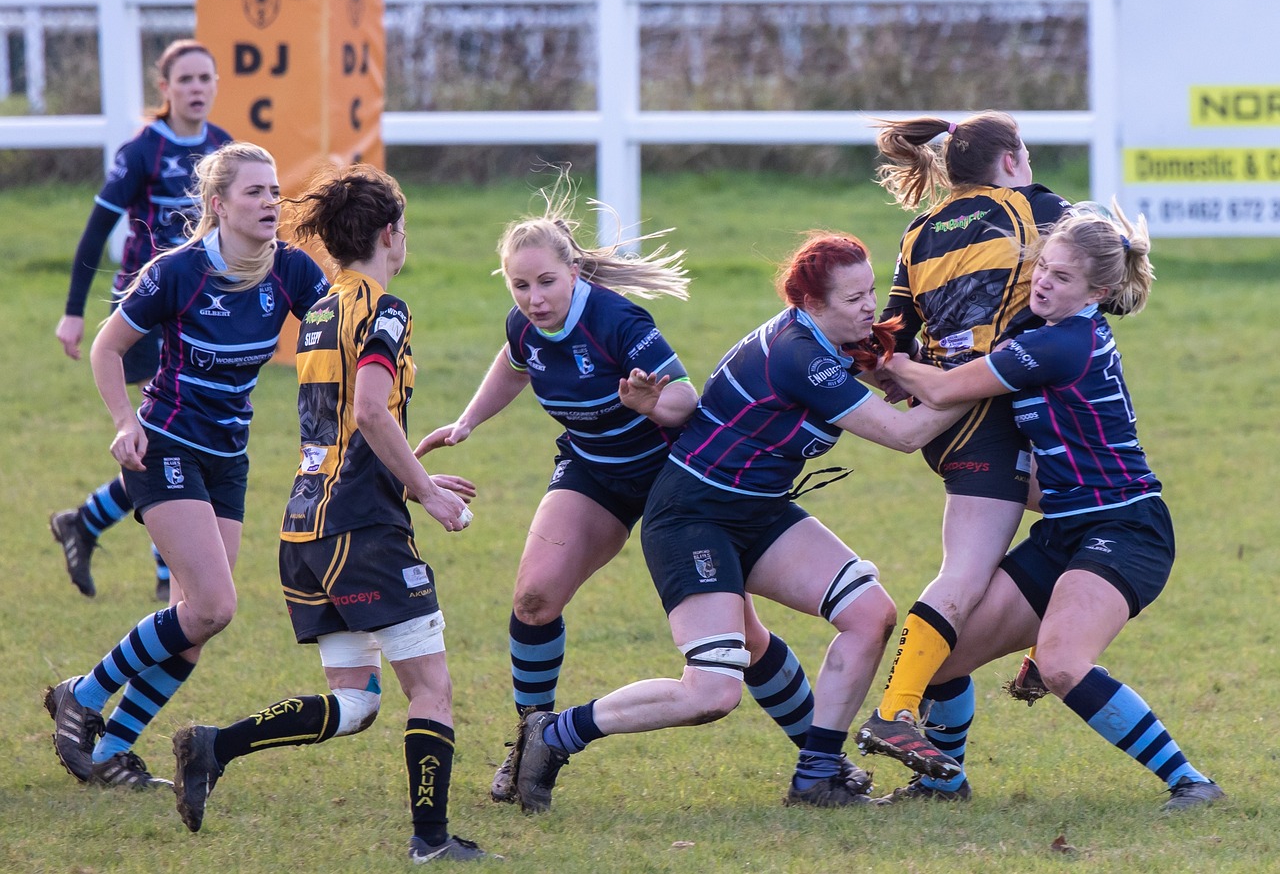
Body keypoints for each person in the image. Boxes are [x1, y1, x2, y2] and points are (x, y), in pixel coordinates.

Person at [417, 175, 856, 803]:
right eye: (520, 285)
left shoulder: (617, 320)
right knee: (534, 598)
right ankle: (529, 743)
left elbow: (684, 398)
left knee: (744, 639)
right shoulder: (524, 323)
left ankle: (820, 765)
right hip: (593, 473)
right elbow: (516, 362)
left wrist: (654, 402)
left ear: (574, 272)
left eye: (546, 282)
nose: (535, 299)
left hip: (676, 481)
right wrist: (467, 420)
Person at [510, 232, 974, 814]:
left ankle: (817, 775)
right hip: (692, 518)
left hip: (757, 509)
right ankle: (554, 734)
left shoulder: (823, 340)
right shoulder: (798, 355)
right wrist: (990, 376)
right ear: (812, 304)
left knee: (869, 614)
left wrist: (916, 370)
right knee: (712, 691)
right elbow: (905, 436)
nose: (868, 307)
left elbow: (889, 379)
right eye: (854, 297)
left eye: (871, 291)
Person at [168, 165, 496, 863]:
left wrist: (408, 473)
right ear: (389, 234)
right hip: (361, 530)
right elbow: (370, 410)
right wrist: (427, 494)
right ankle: (432, 842)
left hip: (305, 529)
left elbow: (344, 427)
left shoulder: (318, 309)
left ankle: (212, 746)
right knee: (431, 688)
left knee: (358, 702)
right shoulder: (386, 308)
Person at [869, 205, 1224, 811]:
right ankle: (941, 783)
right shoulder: (1036, 334)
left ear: (1099, 291)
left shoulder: (1063, 342)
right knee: (943, 660)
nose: (1043, 282)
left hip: (1127, 528)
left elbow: (946, 389)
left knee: (1061, 664)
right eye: (1044, 267)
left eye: (1062, 278)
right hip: (1064, 529)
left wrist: (883, 358)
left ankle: (1190, 782)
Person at [43, 143, 329, 791]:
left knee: (193, 627)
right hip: (166, 444)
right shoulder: (178, 272)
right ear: (218, 204)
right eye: (254, 192)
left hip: (230, 458)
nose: (269, 203)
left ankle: (111, 750)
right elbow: (107, 347)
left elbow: (338, 329)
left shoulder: (292, 270)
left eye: (274, 191)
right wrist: (124, 421)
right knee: (213, 603)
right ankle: (83, 694)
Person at [853, 111, 1072, 788]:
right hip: (998, 416)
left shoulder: (919, 230)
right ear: (1011, 161)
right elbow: (1099, 273)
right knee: (968, 574)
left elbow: (888, 332)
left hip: (943, 421)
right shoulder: (1036, 208)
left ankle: (1049, 640)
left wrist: (899, 371)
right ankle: (895, 709)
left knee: (1092, 509)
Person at [51, 39, 232, 602]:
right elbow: (95, 229)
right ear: (166, 89)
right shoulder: (143, 151)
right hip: (144, 308)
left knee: (174, 437)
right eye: (186, 80)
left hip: (200, 313)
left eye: (206, 78)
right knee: (167, 436)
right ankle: (164, 574)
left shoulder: (225, 149)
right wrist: (74, 312)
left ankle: (86, 521)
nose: (197, 89)